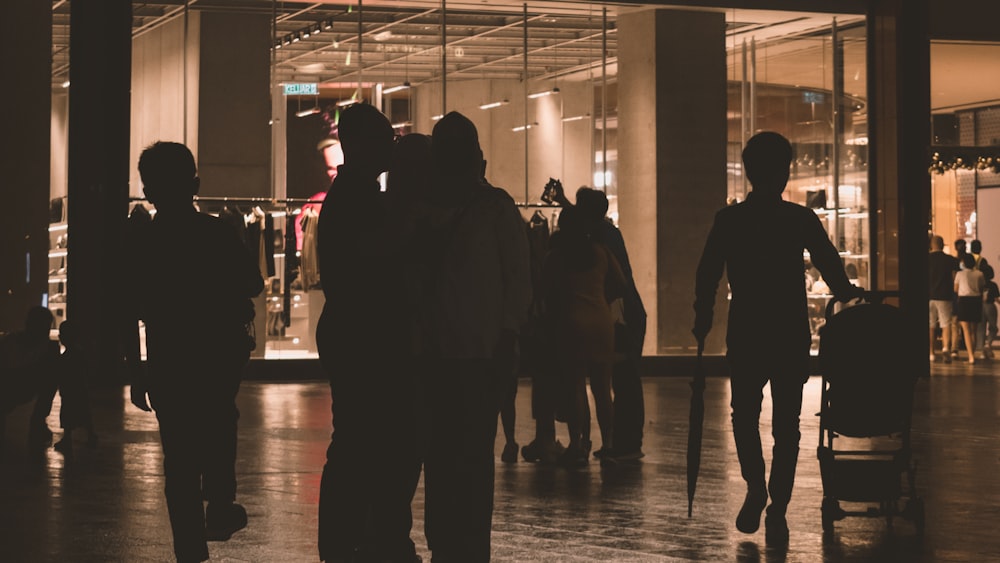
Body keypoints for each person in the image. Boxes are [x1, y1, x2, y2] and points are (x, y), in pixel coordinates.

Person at [693, 132, 858, 545]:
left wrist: (703, 315)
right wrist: (847, 293)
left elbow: (708, 271)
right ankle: (778, 507)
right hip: (789, 333)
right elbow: (829, 263)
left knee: (743, 415)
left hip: (747, 330)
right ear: (784, 172)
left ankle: (755, 484)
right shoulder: (799, 219)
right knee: (787, 425)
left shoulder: (728, 219)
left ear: (748, 173)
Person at [126, 141, 264, 563]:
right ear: (196, 184)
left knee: (179, 458)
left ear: (149, 191)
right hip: (216, 354)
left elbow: (130, 309)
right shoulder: (216, 231)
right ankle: (220, 503)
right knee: (221, 420)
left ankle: (190, 547)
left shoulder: (144, 242)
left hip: (169, 360)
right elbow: (252, 284)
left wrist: (137, 370)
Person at [422, 111, 532, 562]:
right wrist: (508, 336)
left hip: (441, 354)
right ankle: (465, 547)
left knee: (442, 458)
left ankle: (448, 543)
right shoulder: (496, 209)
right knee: (469, 459)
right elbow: (519, 280)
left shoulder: (422, 208)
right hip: (478, 353)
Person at [315, 104, 422, 563]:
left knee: (357, 439)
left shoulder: (351, 194)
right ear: (361, 145)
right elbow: (378, 254)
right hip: (366, 337)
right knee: (364, 440)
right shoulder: (359, 197)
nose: (391, 148)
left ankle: (348, 538)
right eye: (384, 140)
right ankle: (349, 539)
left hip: (353, 333)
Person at [541, 205, 625, 466]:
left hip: (571, 323)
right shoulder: (600, 253)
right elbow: (621, 283)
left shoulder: (555, 257)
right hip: (601, 323)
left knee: (576, 386)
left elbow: (545, 290)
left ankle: (577, 444)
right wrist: (601, 299)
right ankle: (609, 443)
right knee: (603, 388)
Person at [575, 187, 648, 462]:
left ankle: (627, 443)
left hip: (622, 316)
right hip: (629, 314)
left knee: (624, 379)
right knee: (626, 379)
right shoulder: (608, 232)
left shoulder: (599, 237)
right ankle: (626, 442)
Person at [0, 306, 59, 452]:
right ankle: (37, 424)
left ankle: (37, 424)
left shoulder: (10, 341)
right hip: (24, 383)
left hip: (11, 383)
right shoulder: (48, 348)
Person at [52, 320, 98, 455]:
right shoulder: (79, 353)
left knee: (67, 415)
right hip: (80, 390)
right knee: (84, 413)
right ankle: (90, 435)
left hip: (70, 390)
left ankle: (68, 439)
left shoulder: (68, 356)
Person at [929, 234, 959, 363]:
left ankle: (931, 352)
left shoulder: (926, 259)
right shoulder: (950, 260)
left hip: (929, 296)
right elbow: (955, 277)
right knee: (946, 324)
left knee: (931, 325)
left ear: (932, 245)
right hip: (945, 296)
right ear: (942, 245)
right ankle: (946, 347)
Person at [954, 252, 985, 365]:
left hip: (964, 301)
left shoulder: (959, 274)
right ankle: (973, 355)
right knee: (974, 331)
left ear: (964, 262)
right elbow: (982, 288)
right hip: (976, 301)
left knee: (966, 330)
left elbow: (955, 289)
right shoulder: (979, 274)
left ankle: (971, 357)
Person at [979, 263, 999, 360]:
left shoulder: (979, 284)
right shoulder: (993, 285)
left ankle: (982, 352)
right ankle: (988, 344)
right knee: (993, 328)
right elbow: (996, 298)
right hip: (990, 306)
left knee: (981, 329)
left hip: (980, 307)